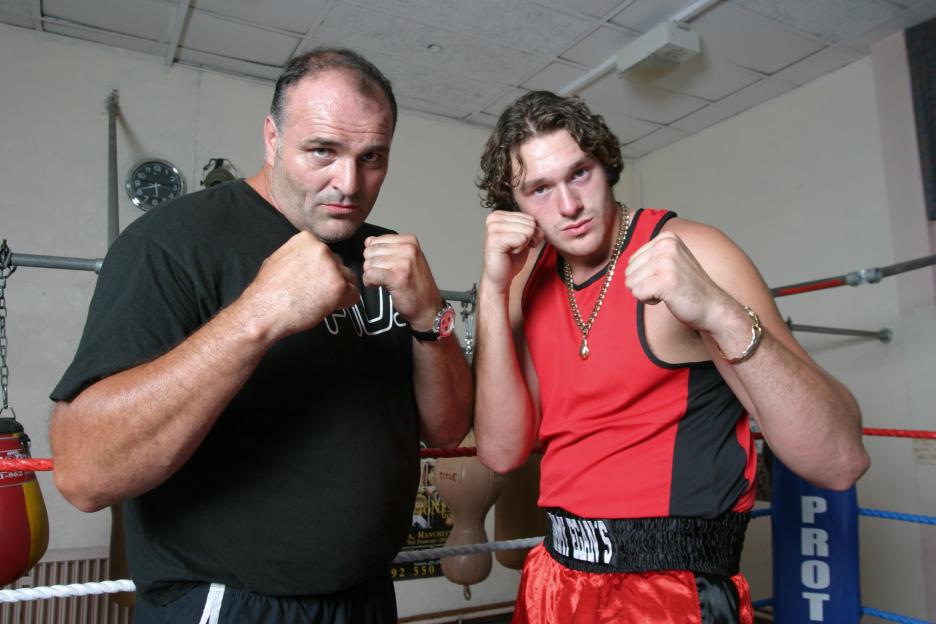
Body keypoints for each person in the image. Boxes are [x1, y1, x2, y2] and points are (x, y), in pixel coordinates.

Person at [48, 47, 472, 623]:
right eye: (322, 151)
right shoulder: (173, 241)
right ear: (272, 138)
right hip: (232, 601)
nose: (348, 183)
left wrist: (431, 319)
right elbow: (82, 472)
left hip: (367, 596)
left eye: (372, 157)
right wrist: (256, 317)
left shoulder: (384, 253)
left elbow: (446, 429)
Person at [472, 90, 869, 623]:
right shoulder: (525, 280)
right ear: (513, 205)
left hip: (671, 592)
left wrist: (720, 313)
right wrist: (492, 292)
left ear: (606, 164)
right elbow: (500, 453)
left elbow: (839, 461)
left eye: (580, 173)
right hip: (556, 579)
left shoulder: (694, 251)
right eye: (539, 189)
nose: (567, 206)